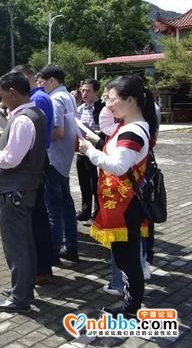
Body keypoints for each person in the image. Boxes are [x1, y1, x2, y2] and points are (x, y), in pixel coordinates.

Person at [78, 75, 158, 317]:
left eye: (111, 99)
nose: (107, 104)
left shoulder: (132, 131)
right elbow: (109, 132)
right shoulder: (131, 125)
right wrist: (96, 142)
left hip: (126, 204)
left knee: (128, 260)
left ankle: (130, 309)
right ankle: (130, 304)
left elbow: (118, 166)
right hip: (126, 201)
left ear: (131, 100)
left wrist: (90, 151)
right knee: (126, 258)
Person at [0, 72, 47, 313]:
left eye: (2, 95)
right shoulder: (33, 114)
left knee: (17, 246)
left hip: (14, 190)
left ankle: (20, 298)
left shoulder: (22, 120)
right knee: (24, 242)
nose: (1, 101)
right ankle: (23, 288)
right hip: (24, 188)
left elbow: (9, 159)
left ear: (13, 93)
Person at [13, 65, 54, 285]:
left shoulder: (35, 100)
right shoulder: (41, 97)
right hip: (39, 159)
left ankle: (40, 268)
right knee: (39, 215)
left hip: (33, 163)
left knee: (35, 218)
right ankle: (43, 266)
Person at [36, 64, 80, 264]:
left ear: (52, 80)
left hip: (53, 159)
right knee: (66, 205)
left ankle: (52, 254)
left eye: (42, 82)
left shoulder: (55, 99)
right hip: (64, 159)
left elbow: (57, 132)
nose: (40, 86)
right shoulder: (68, 96)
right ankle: (70, 247)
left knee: (53, 209)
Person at [76, 79, 104, 221]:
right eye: (82, 90)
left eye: (88, 90)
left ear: (96, 92)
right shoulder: (80, 109)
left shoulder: (102, 109)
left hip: (97, 151)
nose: (84, 93)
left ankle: (98, 213)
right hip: (82, 151)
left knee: (96, 184)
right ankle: (85, 210)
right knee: (84, 183)